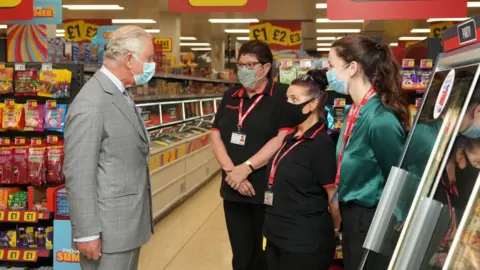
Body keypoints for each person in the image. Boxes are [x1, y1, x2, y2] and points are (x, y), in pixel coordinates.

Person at [64, 26, 155, 270]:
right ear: (128, 59)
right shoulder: (92, 102)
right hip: (108, 231)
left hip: (124, 226)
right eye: (148, 58)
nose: (151, 65)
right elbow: (78, 172)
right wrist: (86, 233)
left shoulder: (119, 93)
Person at [327, 35, 408, 270]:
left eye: (332, 65)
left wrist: (399, 220)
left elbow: (398, 175)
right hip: (353, 217)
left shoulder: (380, 120)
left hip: (372, 220)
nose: (328, 72)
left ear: (352, 67)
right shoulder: (355, 110)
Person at [210, 40, 292, 270]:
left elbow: (282, 137)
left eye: (250, 64)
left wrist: (246, 167)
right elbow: (216, 134)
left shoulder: (283, 95)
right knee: (241, 252)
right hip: (233, 188)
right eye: (240, 64)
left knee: (267, 254)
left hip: (265, 187)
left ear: (266, 68)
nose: (243, 69)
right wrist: (231, 171)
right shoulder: (230, 95)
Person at [263, 69, 341, 270]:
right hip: (275, 237)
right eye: (287, 97)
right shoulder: (290, 137)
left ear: (313, 104)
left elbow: (333, 194)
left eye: (294, 99)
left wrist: (336, 226)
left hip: (303, 243)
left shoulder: (320, 144)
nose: (287, 104)